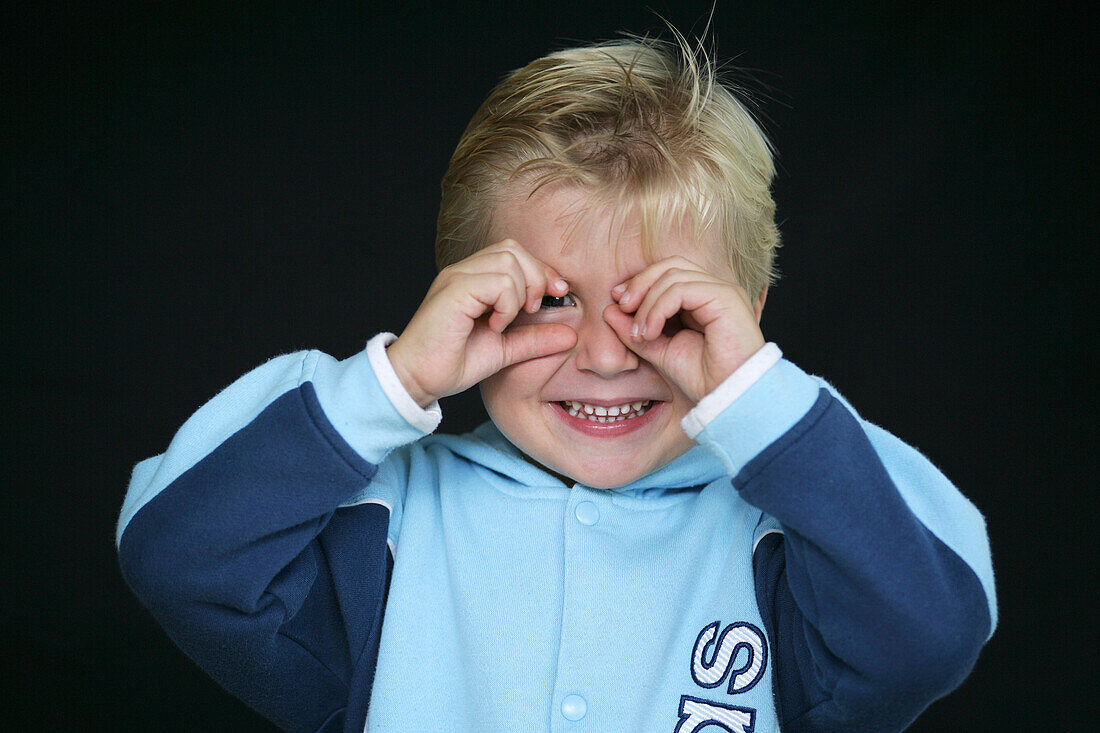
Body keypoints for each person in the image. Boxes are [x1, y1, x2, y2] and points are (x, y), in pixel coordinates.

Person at [117, 35, 996, 733]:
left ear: (747, 316)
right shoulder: (384, 519)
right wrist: (393, 381)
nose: (608, 357)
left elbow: (930, 633)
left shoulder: (805, 529)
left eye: (666, 308)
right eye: (552, 299)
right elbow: (179, 556)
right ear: (465, 301)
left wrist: (757, 397)